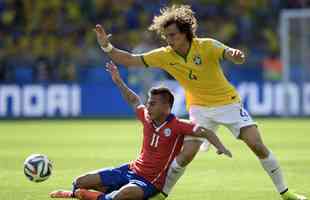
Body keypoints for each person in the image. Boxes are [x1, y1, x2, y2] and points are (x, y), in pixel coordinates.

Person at [93, 4, 307, 200]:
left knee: (256, 145)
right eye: (166, 36)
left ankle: (285, 193)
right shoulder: (165, 55)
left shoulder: (207, 46)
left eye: (173, 35)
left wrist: (236, 55)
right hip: (199, 108)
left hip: (228, 104)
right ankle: (161, 195)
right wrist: (107, 47)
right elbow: (131, 60)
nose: (169, 40)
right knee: (186, 155)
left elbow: (230, 54)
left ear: (185, 33)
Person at [49, 61, 232, 200]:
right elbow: (133, 100)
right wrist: (118, 80)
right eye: (148, 102)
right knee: (80, 181)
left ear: (167, 107)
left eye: (152, 103)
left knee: (123, 195)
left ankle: (83, 196)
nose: (148, 106)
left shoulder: (177, 125)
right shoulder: (147, 117)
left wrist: (220, 146)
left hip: (150, 182)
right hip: (130, 170)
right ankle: (81, 193)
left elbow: (205, 131)